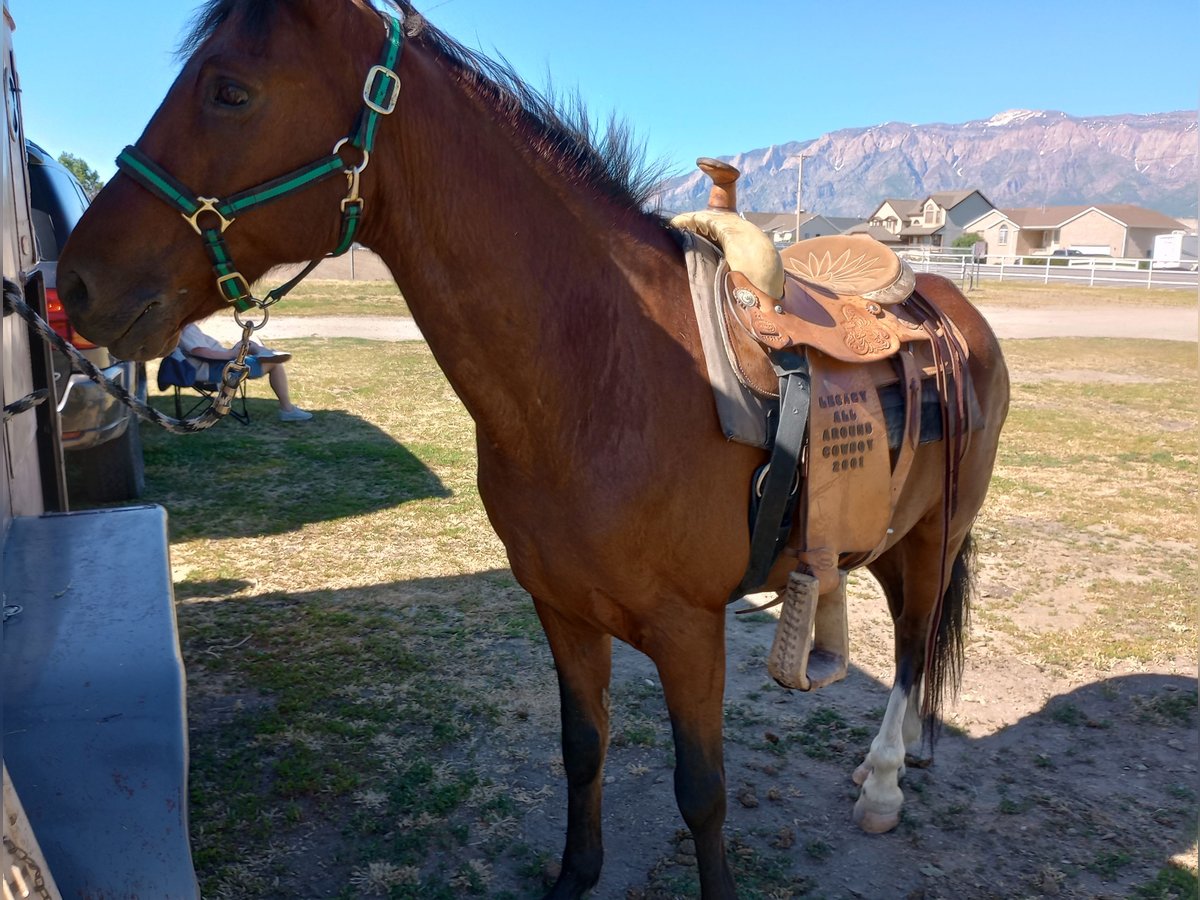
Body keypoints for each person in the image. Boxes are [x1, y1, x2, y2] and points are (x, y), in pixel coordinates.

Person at [176, 322, 313, 422]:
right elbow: (200, 352)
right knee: (274, 364)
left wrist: (233, 352)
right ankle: (287, 409)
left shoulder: (183, 327)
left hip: (218, 365)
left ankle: (262, 352)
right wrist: (232, 354)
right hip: (217, 370)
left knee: (248, 343)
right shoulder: (185, 329)